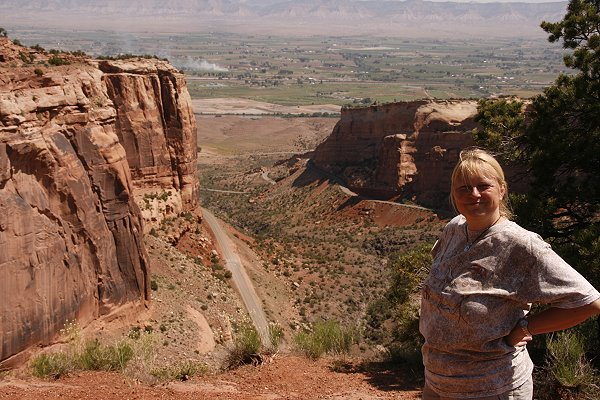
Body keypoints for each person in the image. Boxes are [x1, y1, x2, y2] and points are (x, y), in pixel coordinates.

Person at [419, 148, 600, 399]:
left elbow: (589, 303)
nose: (473, 195)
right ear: (453, 194)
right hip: (437, 385)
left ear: (502, 189)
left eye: (483, 186)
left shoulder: (520, 245)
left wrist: (526, 327)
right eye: (463, 188)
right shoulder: (454, 229)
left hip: (493, 388)